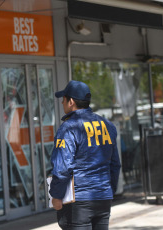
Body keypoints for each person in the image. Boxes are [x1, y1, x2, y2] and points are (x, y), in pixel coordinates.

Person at [49, 80, 121, 230]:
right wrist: (109, 190)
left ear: (71, 102)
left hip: (79, 201)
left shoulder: (69, 127)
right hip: (103, 197)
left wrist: (56, 195)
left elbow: (62, 167)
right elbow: (114, 164)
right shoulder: (107, 125)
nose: (62, 103)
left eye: (63, 99)